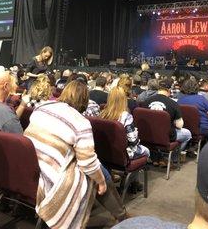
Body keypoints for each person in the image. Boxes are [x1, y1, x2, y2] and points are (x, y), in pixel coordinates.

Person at [24, 80, 128, 229]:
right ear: (85, 100)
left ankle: (121, 215)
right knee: (101, 173)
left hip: (33, 165)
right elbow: (87, 163)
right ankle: (122, 216)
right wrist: (101, 182)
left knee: (99, 169)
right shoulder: (80, 122)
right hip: (54, 174)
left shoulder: (42, 109)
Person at [100, 87, 150, 160]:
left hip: (105, 151)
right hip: (123, 153)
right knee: (147, 151)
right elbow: (133, 141)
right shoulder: (126, 116)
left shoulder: (102, 113)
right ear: (124, 99)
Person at [142, 78, 192, 151]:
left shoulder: (146, 101)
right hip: (166, 136)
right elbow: (179, 125)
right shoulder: (173, 104)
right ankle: (175, 156)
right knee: (187, 133)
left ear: (158, 89)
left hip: (148, 134)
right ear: (169, 90)